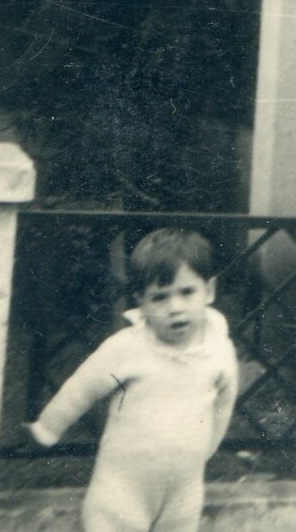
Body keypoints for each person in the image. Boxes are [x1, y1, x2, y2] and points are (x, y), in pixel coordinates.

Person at [27, 228, 239, 532]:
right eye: (159, 297)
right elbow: (82, 388)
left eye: (187, 292)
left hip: (184, 491)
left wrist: (205, 450)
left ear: (209, 290)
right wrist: (48, 427)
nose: (175, 307)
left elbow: (223, 406)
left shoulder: (219, 350)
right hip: (122, 489)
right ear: (141, 302)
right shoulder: (129, 347)